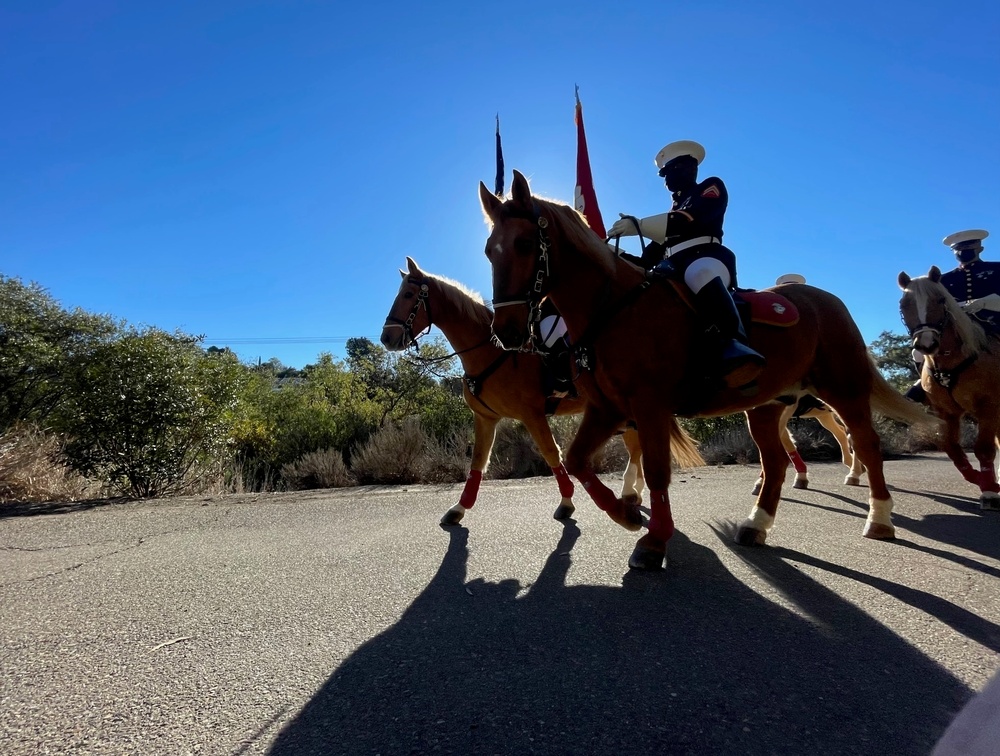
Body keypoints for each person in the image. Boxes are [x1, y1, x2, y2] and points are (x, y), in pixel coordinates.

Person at [607, 140, 765, 389]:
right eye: (664, 174)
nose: (667, 179)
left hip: (708, 256)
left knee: (699, 273)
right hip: (672, 265)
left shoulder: (710, 188)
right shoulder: (671, 213)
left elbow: (692, 219)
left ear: (691, 168)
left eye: (673, 170)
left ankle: (733, 345)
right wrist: (610, 253)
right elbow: (646, 261)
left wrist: (640, 225)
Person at [906, 229, 1000, 403]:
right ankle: (926, 387)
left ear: (979, 248)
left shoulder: (996, 270)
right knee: (919, 352)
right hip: (959, 330)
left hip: (994, 326)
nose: (963, 251)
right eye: (958, 248)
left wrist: (987, 302)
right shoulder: (944, 280)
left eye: (968, 246)